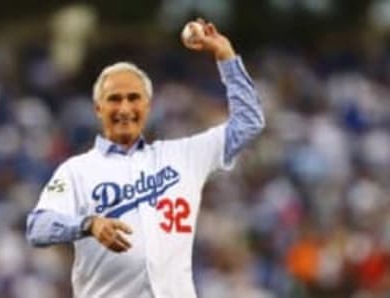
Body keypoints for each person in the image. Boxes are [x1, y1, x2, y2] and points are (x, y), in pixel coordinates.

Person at [26, 19, 265, 298]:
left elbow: (249, 122)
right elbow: (37, 228)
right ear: (98, 109)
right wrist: (87, 224)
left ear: (148, 106)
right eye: (114, 99)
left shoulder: (183, 155)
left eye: (133, 98)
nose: (125, 108)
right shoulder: (77, 170)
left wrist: (226, 56)